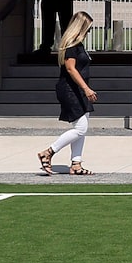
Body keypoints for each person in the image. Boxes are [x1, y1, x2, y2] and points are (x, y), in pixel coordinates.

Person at [40, 13, 96, 176]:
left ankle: (76, 164)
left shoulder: (78, 45)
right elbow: (71, 69)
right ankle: (48, 152)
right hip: (71, 90)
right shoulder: (71, 46)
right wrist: (86, 88)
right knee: (80, 128)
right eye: (88, 29)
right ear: (80, 28)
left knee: (82, 127)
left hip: (78, 89)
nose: (88, 32)